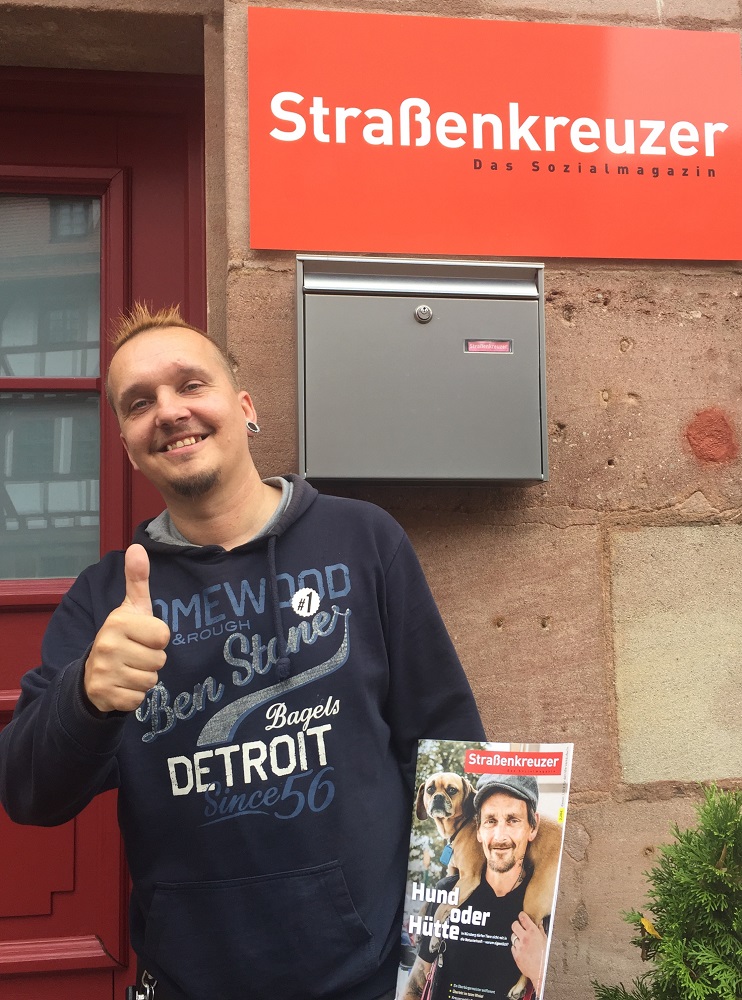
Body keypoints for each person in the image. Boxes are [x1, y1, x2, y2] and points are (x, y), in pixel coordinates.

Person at [0, 306, 485, 1000]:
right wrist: (86, 697)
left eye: (190, 385)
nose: (168, 411)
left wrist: (457, 965)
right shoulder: (104, 598)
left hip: (371, 979)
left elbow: (447, 742)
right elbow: (27, 793)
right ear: (130, 445)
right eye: (140, 403)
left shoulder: (364, 540)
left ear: (244, 405)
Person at [402, 775, 549, 1000]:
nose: (500, 836)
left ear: (533, 826)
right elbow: (416, 982)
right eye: (490, 820)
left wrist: (540, 972)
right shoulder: (445, 892)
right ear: (478, 828)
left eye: (513, 820)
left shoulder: (543, 913)